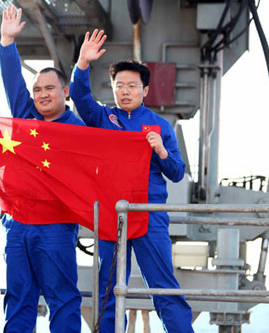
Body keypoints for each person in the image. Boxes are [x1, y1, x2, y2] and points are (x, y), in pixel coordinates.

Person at [69, 30, 194, 332]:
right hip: (113, 215)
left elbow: (177, 172)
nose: (125, 91)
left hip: (150, 215)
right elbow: (80, 98)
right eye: (119, 85)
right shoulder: (103, 119)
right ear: (112, 88)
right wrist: (82, 64)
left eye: (132, 86)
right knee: (110, 287)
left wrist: (161, 150)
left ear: (145, 90)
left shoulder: (161, 126)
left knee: (163, 285)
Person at [0, 5, 83, 332]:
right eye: (37, 90)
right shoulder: (25, 115)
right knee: (19, 297)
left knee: (62, 299)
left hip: (56, 226)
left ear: (65, 91)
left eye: (49, 88)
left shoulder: (78, 129)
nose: (42, 94)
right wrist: (7, 42)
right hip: (18, 224)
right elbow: (11, 81)